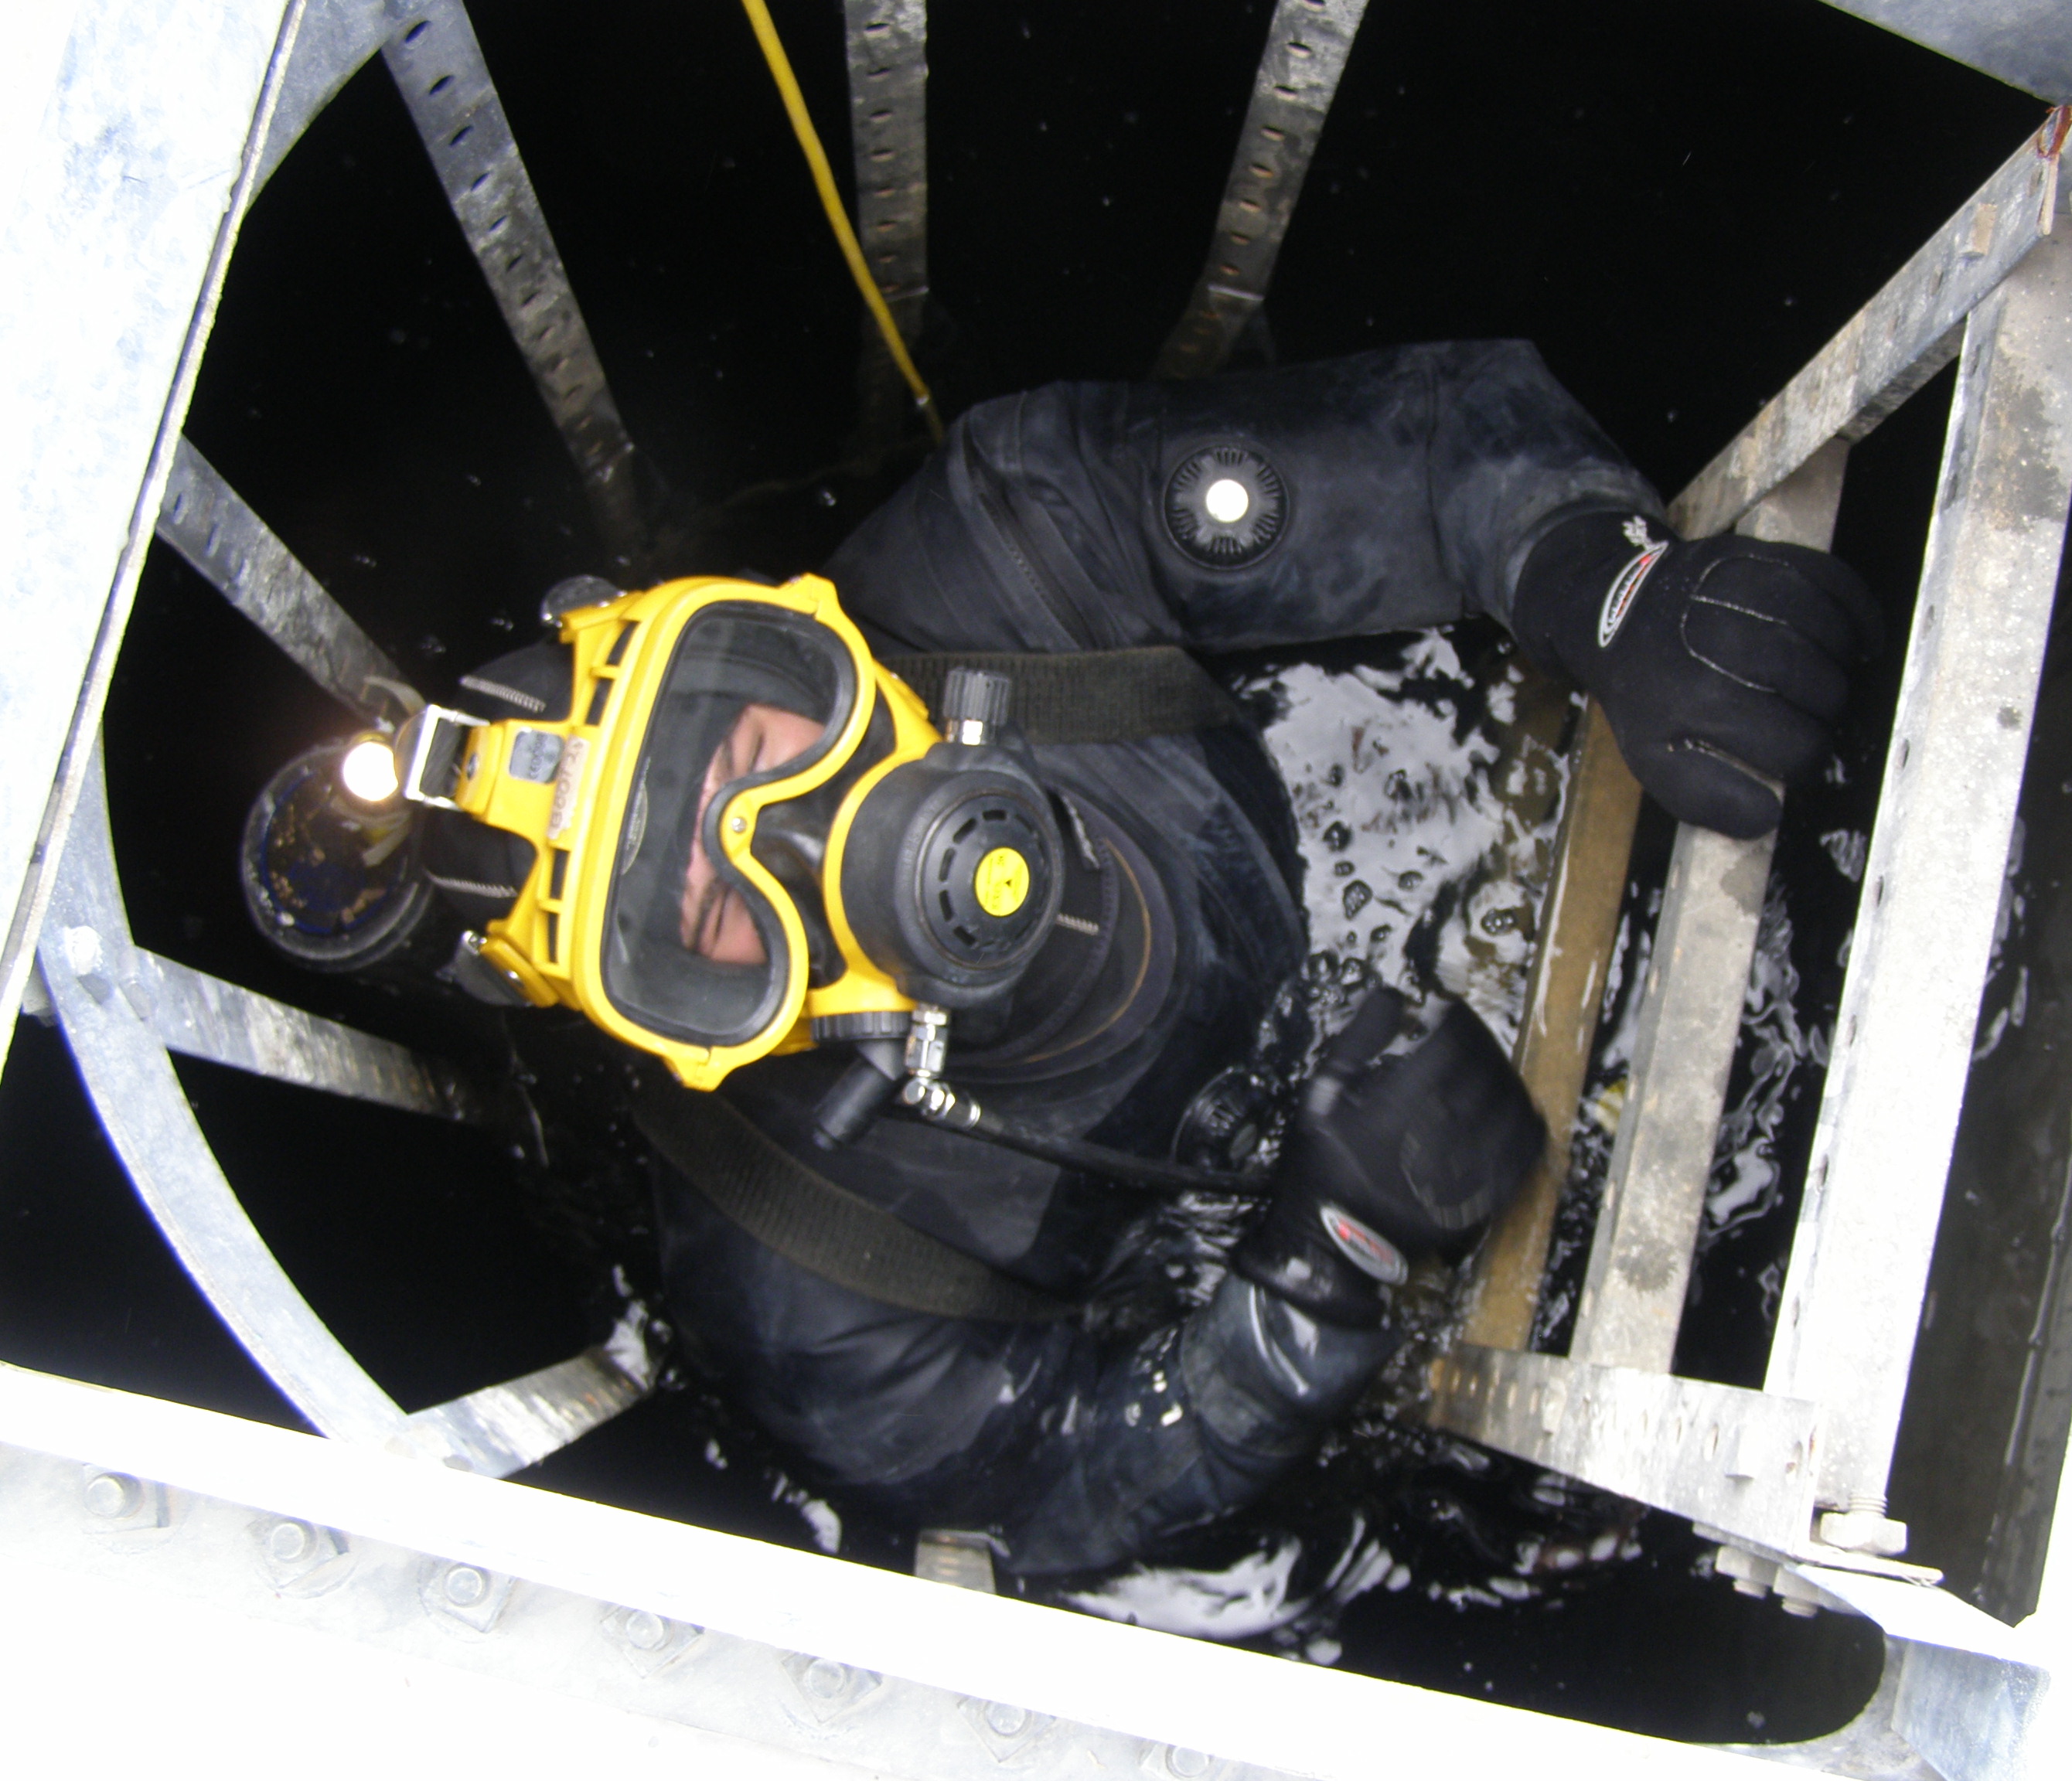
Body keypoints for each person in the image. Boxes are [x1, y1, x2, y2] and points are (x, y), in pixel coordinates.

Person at [408, 340, 1879, 1575]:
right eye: (720, 913)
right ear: (696, 1026)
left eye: (752, 747)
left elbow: (1426, 454)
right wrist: (1325, 1255)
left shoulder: (1014, 545)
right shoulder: (800, 1262)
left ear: (790, 640)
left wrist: (1608, 596)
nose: (807, 840)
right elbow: (1049, 1485)